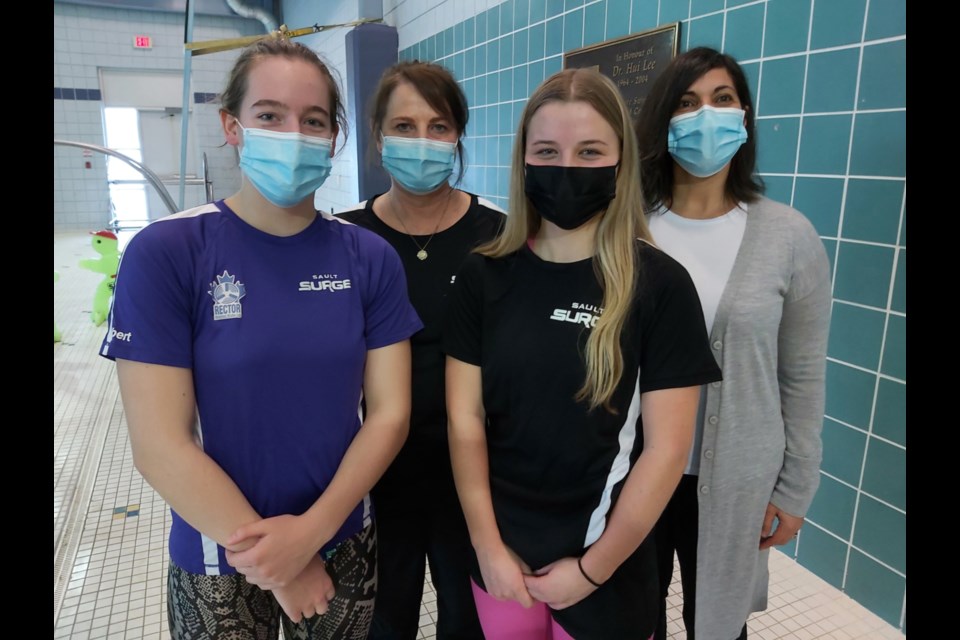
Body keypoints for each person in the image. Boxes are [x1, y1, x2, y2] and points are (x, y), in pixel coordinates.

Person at [99, 38, 423, 640]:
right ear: (233, 126)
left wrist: (309, 536)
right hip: (215, 548)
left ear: (333, 138)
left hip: (341, 538)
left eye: (314, 120)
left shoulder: (368, 257)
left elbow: (389, 415)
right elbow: (160, 445)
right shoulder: (170, 253)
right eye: (270, 115)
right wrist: (279, 567)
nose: (293, 133)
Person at [443, 68, 723, 640]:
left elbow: (667, 452)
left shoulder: (659, 285)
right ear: (524, 161)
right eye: (547, 150)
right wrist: (487, 545)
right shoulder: (484, 275)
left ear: (620, 163)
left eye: (589, 151)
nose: (567, 167)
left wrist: (593, 571)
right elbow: (465, 420)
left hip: (605, 559)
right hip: (501, 553)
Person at [634, 47, 832, 640]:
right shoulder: (628, 226)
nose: (706, 116)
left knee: (718, 623)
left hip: (738, 478)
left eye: (722, 100)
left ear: (744, 116)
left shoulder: (787, 237)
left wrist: (795, 489)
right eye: (688, 102)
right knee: (629, 618)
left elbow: (800, 375)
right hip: (633, 469)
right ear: (663, 120)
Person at [337, 59, 504, 640]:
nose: (422, 142)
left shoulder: (498, 237)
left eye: (439, 127)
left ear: (458, 136)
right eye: (404, 127)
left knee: (468, 621)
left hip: (475, 471)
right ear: (378, 139)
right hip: (374, 475)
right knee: (385, 621)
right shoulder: (345, 240)